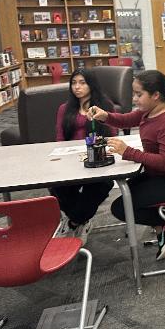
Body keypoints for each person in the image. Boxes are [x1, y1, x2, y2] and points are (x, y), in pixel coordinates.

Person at [89, 70, 165, 261]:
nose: (134, 99)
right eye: (134, 94)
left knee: (121, 208)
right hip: (159, 175)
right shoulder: (150, 111)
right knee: (127, 192)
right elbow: (128, 119)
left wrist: (128, 152)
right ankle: (163, 222)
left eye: (139, 94)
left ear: (156, 95)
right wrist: (105, 116)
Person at [51, 69, 118, 244]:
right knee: (55, 185)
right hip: (71, 161)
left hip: (97, 159)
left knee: (101, 185)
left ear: (91, 84)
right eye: (74, 83)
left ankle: (73, 222)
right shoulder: (64, 108)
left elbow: (112, 133)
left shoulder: (104, 105)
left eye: (82, 83)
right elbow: (59, 138)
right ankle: (82, 220)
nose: (77, 87)